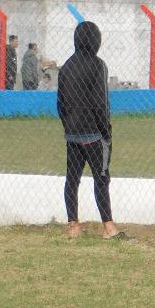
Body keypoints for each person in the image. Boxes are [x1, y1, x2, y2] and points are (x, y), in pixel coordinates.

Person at [57, 21, 120, 240]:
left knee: (72, 179)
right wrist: (106, 132)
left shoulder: (65, 67)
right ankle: (109, 228)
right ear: (96, 40)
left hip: (72, 135)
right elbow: (100, 102)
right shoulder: (98, 65)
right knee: (101, 179)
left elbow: (60, 104)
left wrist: (69, 127)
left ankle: (73, 227)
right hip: (94, 135)